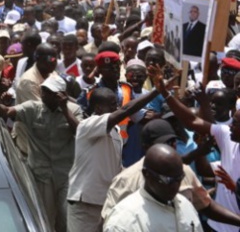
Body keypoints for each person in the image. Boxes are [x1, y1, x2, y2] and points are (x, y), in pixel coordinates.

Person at [66, 68, 167, 232]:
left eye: (118, 103)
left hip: (105, 203)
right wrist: (157, 91)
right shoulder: (88, 125)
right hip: (84, 204)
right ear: (98, 108)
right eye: (113, 105)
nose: (118, 107)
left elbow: (116, 169)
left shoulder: (116, 133)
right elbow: (126, 111)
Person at [102, 119, 240, 228]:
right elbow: (111, 222)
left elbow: (206, 205)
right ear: (146, 147)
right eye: (164, 142)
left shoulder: (184, 170)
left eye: (173, 141)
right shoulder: (126, 180)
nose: (171, 146)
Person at [0, 75, 83, 232]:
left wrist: (65, 109)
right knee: (43, 218)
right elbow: (7, 112)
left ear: (61, 95)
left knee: (66, 218)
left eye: (49, 92)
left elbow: (80, 132)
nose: (44, 95)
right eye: (43, 91)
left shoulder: (74, 110)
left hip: (66, 174)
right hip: (41, 174)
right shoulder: (33, 108)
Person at [152, 65, 240, 232]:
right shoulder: (226, 136)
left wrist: (236, 188)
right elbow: (192, 121)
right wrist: (165, 93)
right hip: (215, 226)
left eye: (235, 124)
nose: (229, 127)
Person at [103, 144, 203, 232]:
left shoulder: (186, 206)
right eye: (168, 180)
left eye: (180, 178)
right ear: (146, 174)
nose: (175, 186)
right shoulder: (124, 221)